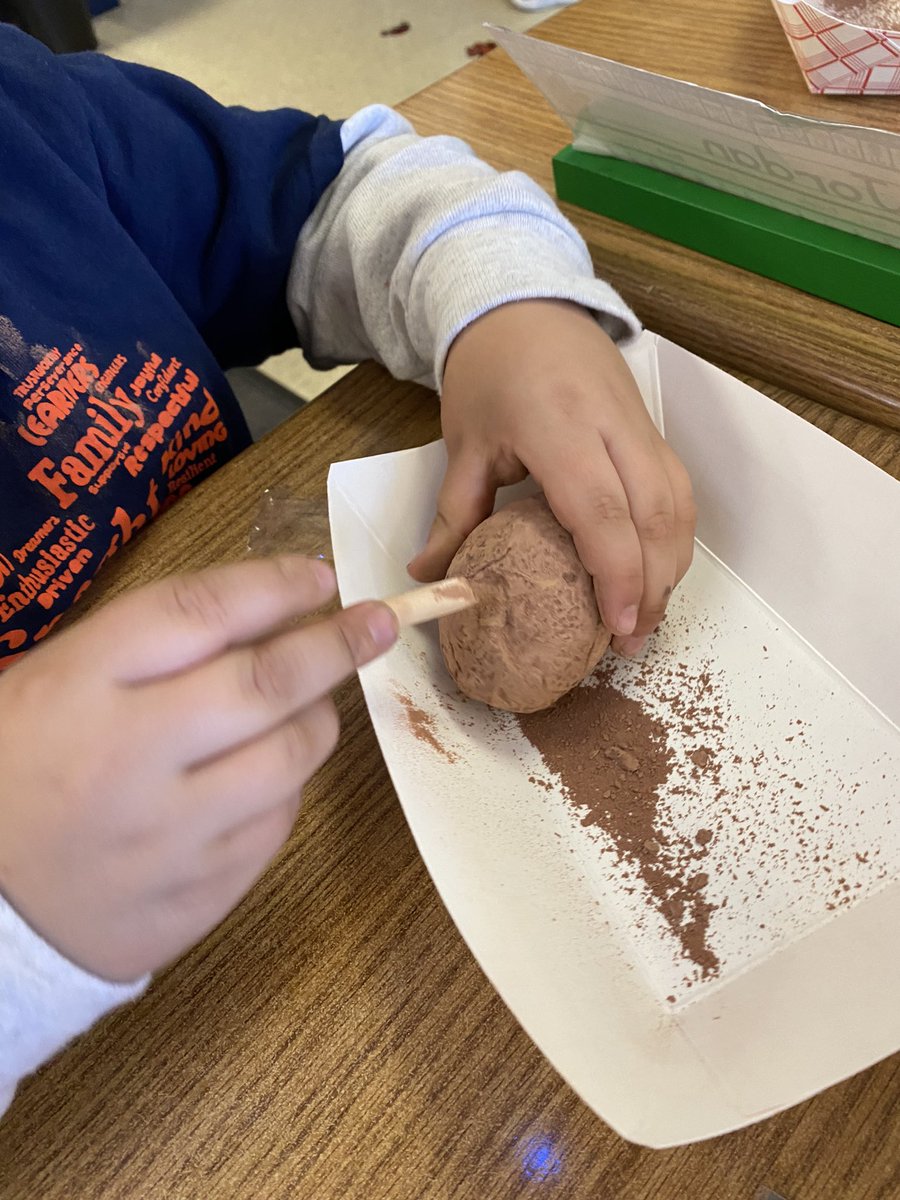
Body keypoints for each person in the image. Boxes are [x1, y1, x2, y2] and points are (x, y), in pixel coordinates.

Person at [0, 24, 696, 1115]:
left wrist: (501, 306)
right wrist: (18, 945)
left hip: (344, 852)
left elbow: (337, 191)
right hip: (158, 1094)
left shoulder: (31, 125)